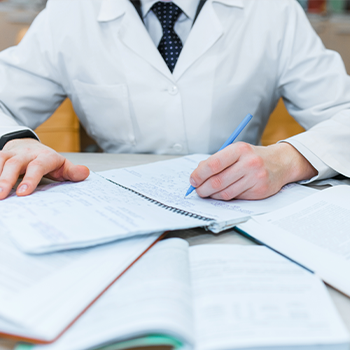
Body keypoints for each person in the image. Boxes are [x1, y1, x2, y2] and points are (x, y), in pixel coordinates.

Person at [0, 0, 349, 201]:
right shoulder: (71, 11)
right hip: (114, 210)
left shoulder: (271, 9)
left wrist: (288, 159)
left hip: (239, 210)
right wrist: (15, 140)